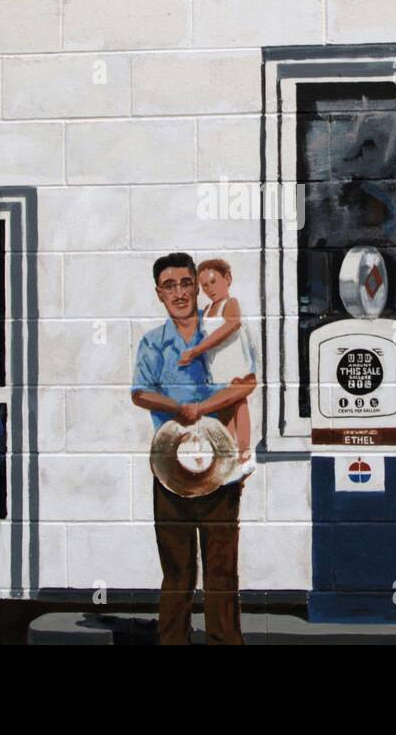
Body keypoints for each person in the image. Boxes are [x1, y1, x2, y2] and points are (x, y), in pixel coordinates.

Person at [130, 252, 257, 645]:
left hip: (219, 469)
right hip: (170, 470)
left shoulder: (219, 327)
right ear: (159, 293)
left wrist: (203, 408)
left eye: (186, 283)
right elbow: (140, 392)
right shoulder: (153, 342)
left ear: (197, 287)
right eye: (170, 286)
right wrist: (176, 408)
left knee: (221, 571)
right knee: (177, 572)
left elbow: (246, 383)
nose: (180, 293)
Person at [178, 259, 257, 476]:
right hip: (217, 371)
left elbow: (231, 325)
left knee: (238, 403)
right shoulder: (206, 310)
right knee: (224, 414)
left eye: (213, 282)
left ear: (228, 279)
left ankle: (244, 454)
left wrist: (196, 351)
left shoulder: (229, 303)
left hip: (237, 367)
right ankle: (229, 456)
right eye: (204, 285)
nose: (210, 289)